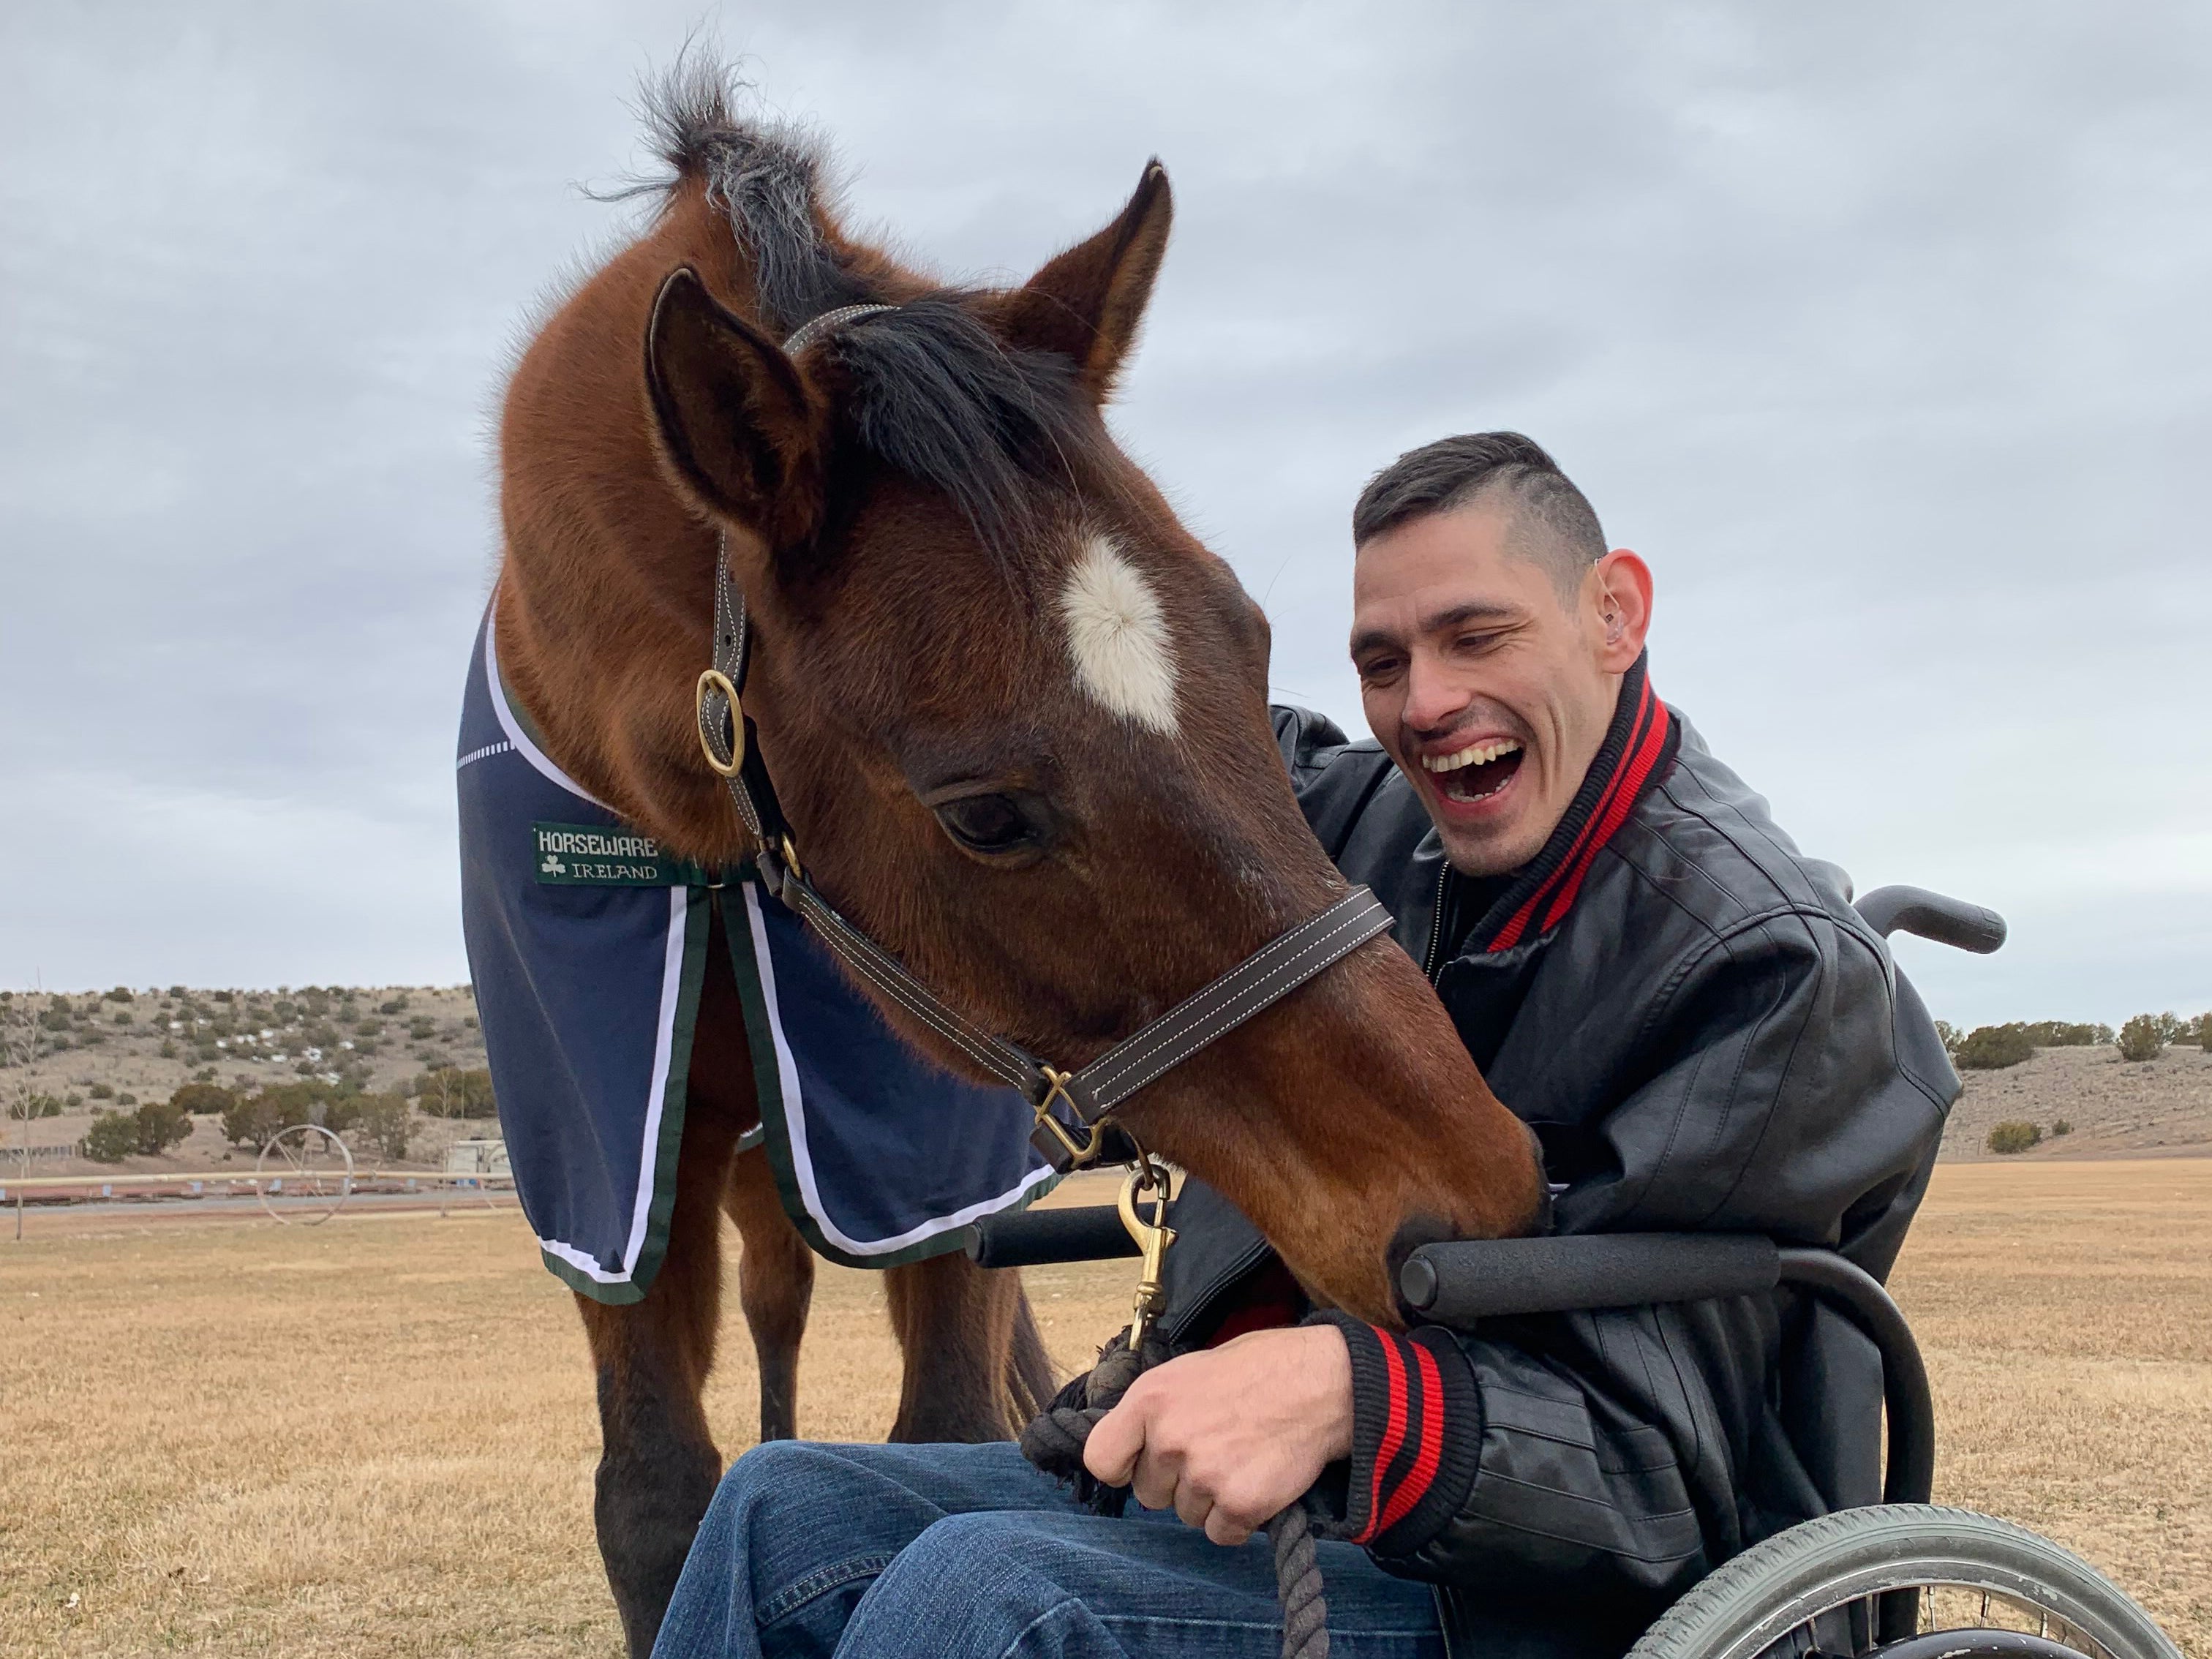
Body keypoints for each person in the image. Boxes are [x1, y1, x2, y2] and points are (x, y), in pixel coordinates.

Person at [649, 434, 1960, 1659]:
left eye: (1475, 635)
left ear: (1615, 612)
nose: (1426, 704)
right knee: (777, 1509)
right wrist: (965, 465)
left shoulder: (1765, 969)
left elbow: (1660, 1482)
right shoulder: (1366, 822)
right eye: (1383, 663)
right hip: (1296, 1502)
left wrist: (1351, 1395)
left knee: (992, 1598)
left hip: (1547, 1589)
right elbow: (1134, 723)